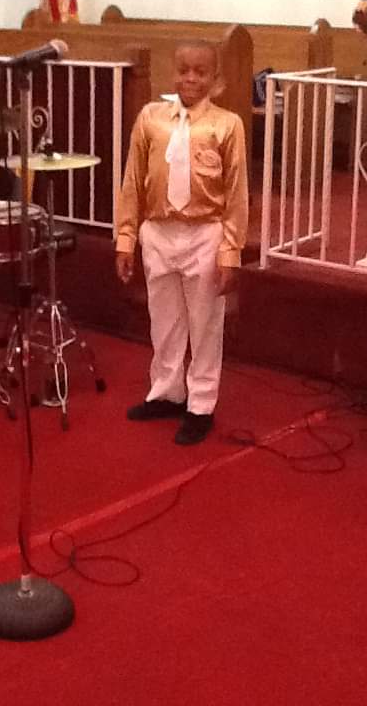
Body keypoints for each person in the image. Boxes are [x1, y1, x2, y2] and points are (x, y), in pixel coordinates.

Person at [115, 40, 249, 445]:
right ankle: (167, 391)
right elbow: (132, 181)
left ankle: (201, 403)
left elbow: (237, 191)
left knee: (205, 322)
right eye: (184, 70)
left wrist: (230, 250)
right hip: (158, 231)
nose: (191, 78)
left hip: (204, 233)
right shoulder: (151, 118)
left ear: (216, 79)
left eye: (201, 72)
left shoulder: (227, 125)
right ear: (172, 72)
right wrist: (125, 238)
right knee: (165, 318)